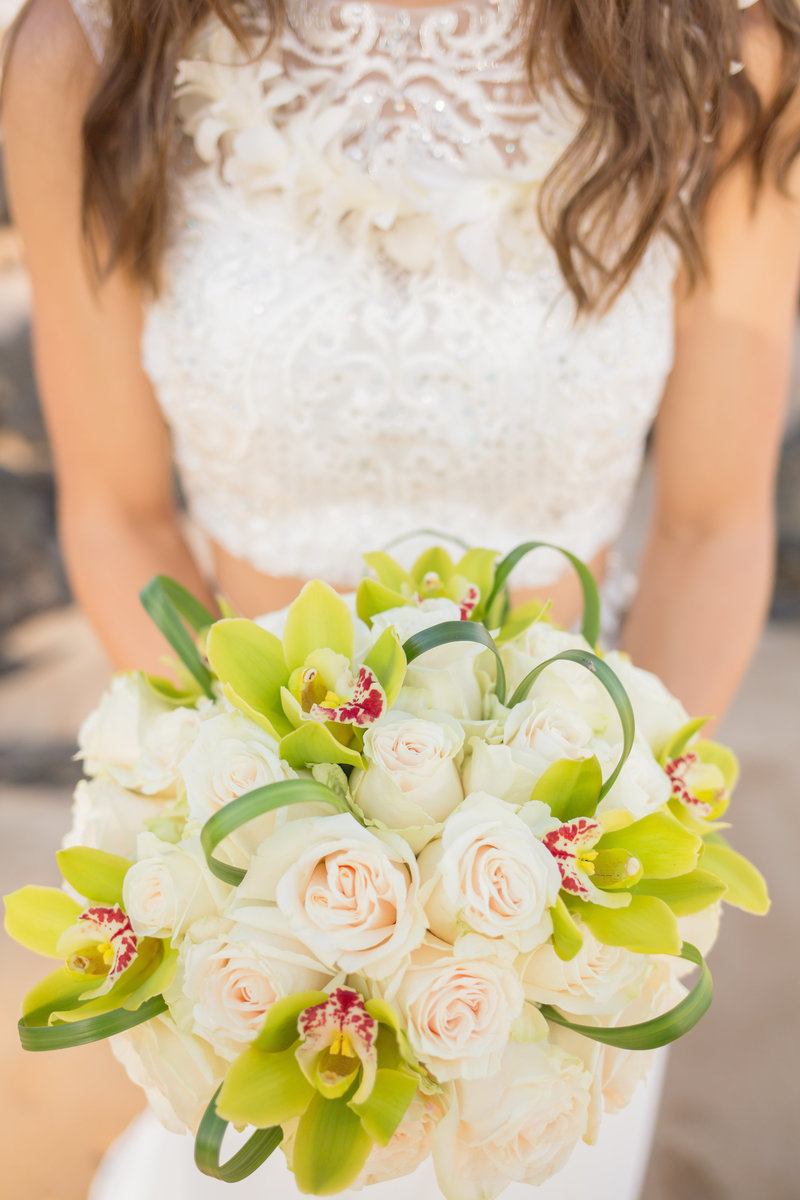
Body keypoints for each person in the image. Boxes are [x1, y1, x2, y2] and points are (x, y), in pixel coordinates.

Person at [1, 0, 798, 1197]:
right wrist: (253, 828)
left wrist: (590, 860)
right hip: (258, 903)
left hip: (559, 909)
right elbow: (118, 513)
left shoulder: (725, 58)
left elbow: (709, 523)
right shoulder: (91, 53)